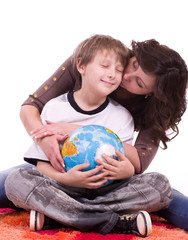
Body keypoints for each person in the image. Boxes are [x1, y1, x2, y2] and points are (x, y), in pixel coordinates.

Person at [1, 35, 188, 230]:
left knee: (161, 188)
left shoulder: (131, 114)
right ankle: (111, 220)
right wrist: (44, 139)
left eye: (139, 83)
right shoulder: (93, 61)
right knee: (15, 180)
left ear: (149, 94)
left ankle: (61, 216)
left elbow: (138, 162)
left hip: (108, 183)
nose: (123, 75)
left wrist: (77, 130)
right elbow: (31, 107)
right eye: (133, 64)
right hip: (61, 170)